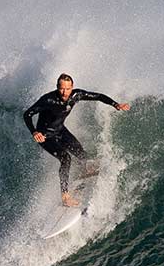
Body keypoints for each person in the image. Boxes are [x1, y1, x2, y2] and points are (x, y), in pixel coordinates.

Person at [22, 73, 130, 207]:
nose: (64, 92)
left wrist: (115, 104)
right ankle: (65, 196)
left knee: (81, 154)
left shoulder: (76, 95)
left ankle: (85, 170)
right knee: (65, 158)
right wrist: (34, 132)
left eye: (67, 89)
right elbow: (27, 114)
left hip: (60, 130)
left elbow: (98, 96)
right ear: (57, 87)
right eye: (61, 88)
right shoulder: (48, 100)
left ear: (72, 87)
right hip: (45, 136)